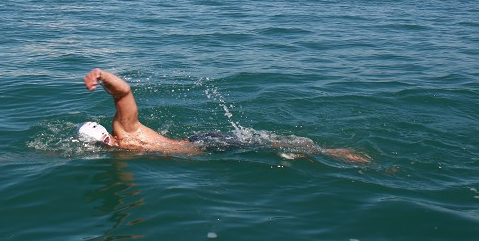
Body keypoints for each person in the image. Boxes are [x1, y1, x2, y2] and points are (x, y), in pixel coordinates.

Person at [78, 68, 370, 163]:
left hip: (205, 144)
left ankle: (334, 153)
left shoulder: (126, 131)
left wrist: (102, 75)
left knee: (273, 147)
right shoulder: (120, 148)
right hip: (201, 145)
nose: (105, 144)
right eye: (99, 144)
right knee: (270, 144)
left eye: (101, 142)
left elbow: (124, 93)